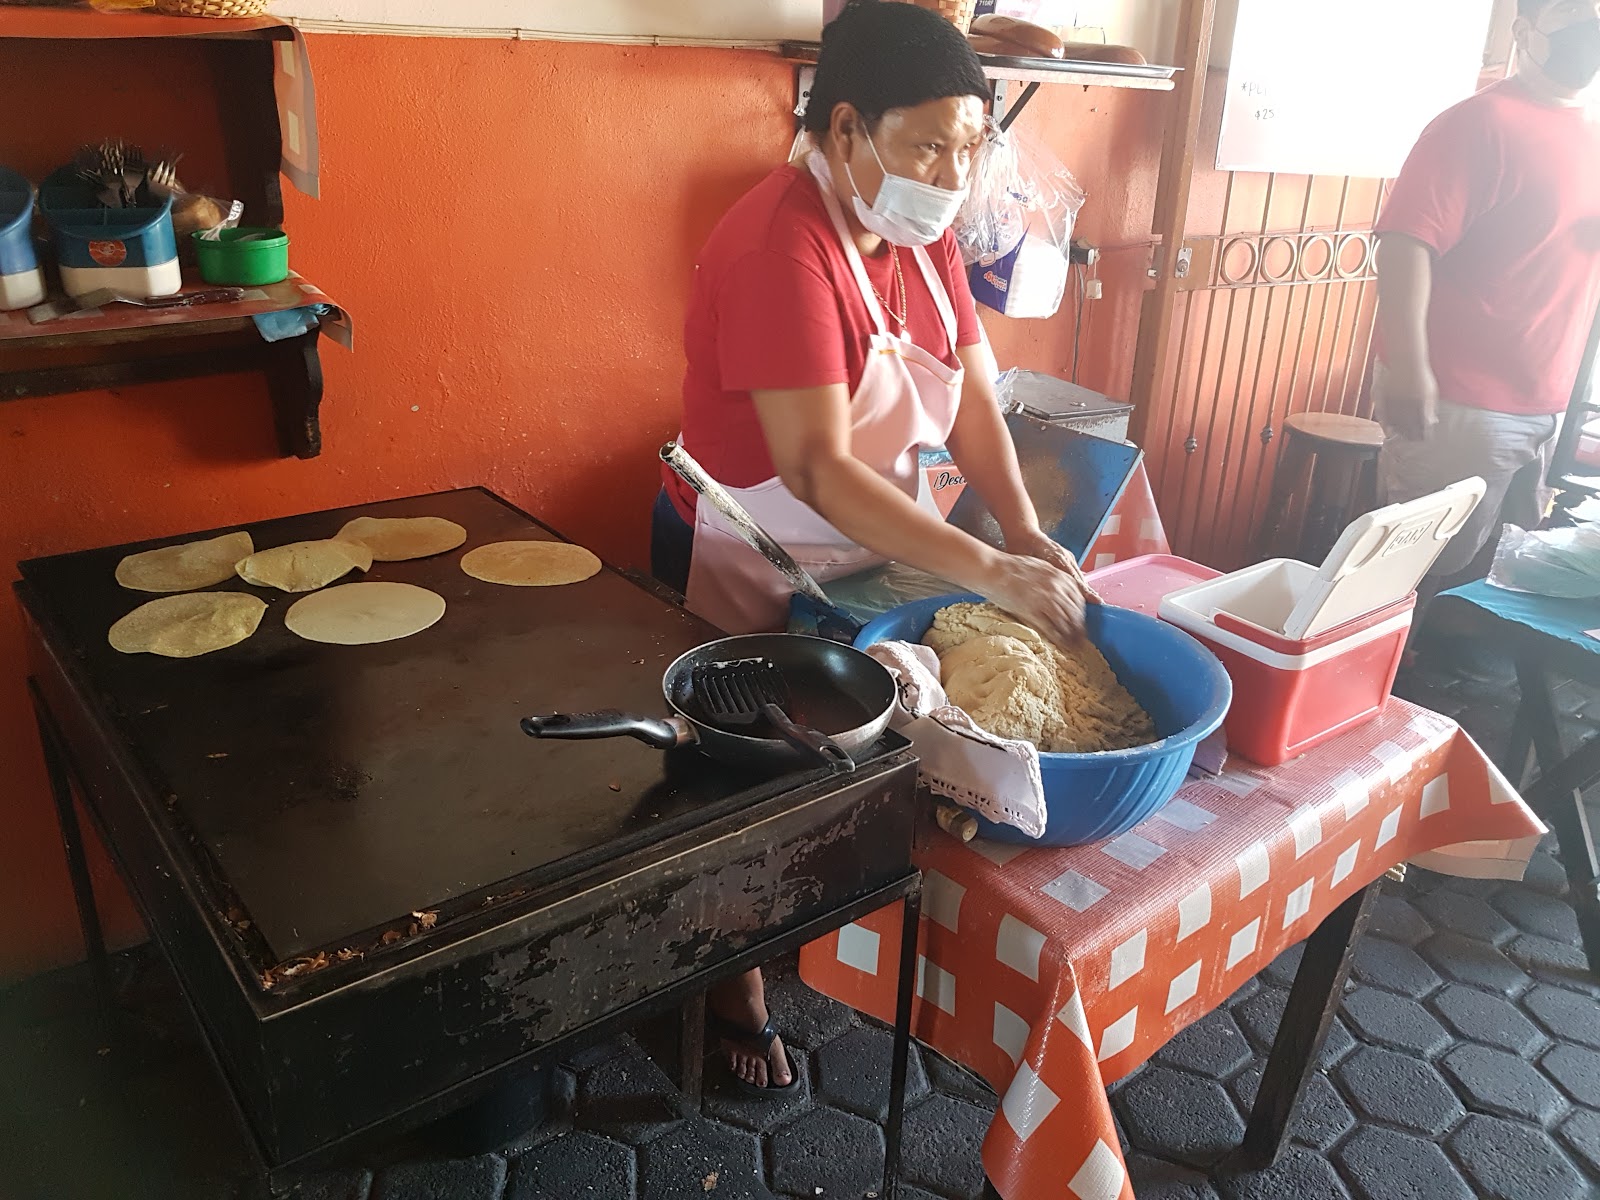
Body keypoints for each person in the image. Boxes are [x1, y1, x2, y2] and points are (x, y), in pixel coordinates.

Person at [650, 0, 1092, 1090]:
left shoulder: (920, 236)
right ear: (845, 128)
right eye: (929, 145)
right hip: (751, 550)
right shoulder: (779, 244)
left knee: (847, 768)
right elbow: (815, 468)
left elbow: (976, 400)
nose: (953, 173)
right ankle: (731, 989)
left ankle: (823, 935)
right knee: (741, 786)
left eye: (969, 147)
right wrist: (989, 568)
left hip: (871, 548)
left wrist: (1025, 528)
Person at [1373, 0, 1600, 612]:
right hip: (1460, 399)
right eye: (1573, 16)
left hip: (1547, 396)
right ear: (1525, 31)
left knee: (1495, 560)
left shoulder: (1592, 128)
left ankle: (1438, 656)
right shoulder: (1477, 124)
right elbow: (1404, 244)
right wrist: (1412, 369)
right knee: (1414, 567)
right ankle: (1384, 665)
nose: (1591, 29)